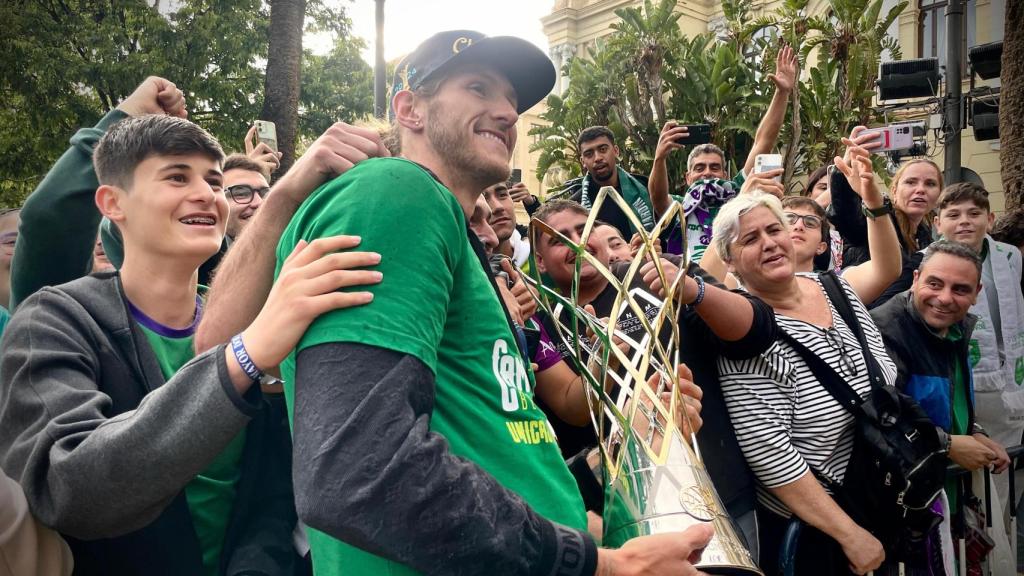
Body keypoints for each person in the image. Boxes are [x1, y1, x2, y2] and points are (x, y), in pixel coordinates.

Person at [195, 30, 714, 575]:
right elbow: (357, 472)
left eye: (512, 101)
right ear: (409, 109)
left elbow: (498, 446)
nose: (507, 113)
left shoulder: (448, 235)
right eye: (478, 87)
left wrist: (618, 488)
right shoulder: (398, 192)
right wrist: (599, 566)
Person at [0, 95, 381, 574]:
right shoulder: (54, 321)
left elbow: (269, 495)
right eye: (177, 177)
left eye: (214, 181)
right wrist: (243, 357)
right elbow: (70, 490)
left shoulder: (254, 319)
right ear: (112, 203)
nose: (207, 195)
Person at [531, 198, 778, 559]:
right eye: (558, 239)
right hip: (625, 512)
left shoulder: (656, 273)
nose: (577, 241)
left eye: (583, 230)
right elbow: (573, 411)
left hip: (717, 487)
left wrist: (693, 290)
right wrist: (606, 353)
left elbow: (757, 330)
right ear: (538, 262)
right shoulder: (541, 323)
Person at [712, 192, 895, 575]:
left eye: (774, 229)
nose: (769, 243)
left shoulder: (834, 287)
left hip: (877, 492)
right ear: (728, 261)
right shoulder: (745, 331)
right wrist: (849, 534)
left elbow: (884, 372)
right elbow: (771, 455)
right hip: (819, 531)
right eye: (749, 239)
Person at [870, 241, 1011, 549]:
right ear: (916, 278)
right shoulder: (886, 329)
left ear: (977, 293)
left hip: (943, 494)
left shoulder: (957, 327)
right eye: (934, 283)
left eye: (960, 289)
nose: (944, 298)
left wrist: (975, 431)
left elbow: (945, 398)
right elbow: (881, 417)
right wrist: (947, 445)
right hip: (902, 507)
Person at [699, 140, 902, 305]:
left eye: (811, 222)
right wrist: (740, 205)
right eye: (786, 221)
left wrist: (874, 203)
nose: (798, 226)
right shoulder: (739, 287)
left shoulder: (835, 287)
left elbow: (887, 269)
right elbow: (703, 285)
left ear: (823, 246)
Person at [647, 44, 798, 261]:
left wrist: (782, 92)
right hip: (690, 285)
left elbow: (762, 141)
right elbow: (657, 196)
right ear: (687, 178)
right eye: (699, 168)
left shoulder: (739, 193)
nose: (707, 172)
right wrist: (659, 158)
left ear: (725, 175)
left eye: (714, 167)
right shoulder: (679, 207)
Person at [932, 185, 1024, 462]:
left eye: (974, 213)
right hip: (958, 376)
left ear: (990, 219)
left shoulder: (1010, 256)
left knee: (1004, 465)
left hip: (1010, 378)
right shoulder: (927, 261)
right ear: (937, 224)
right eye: (954, 214)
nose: (964, 221)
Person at [828, 127, 942, 308]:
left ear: (938, 195)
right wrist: (845, 171)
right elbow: (846, 217)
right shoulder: (877, 219)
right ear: (894, 191)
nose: (920, 189)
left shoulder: (927, 237)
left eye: (930, 183)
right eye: (911, 182)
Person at [565, 125, 656, 239]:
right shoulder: (575, 205)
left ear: (616, 151)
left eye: (603, 149)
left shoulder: (644, 187)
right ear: (583, 161)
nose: (597, 158)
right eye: (589, 154)